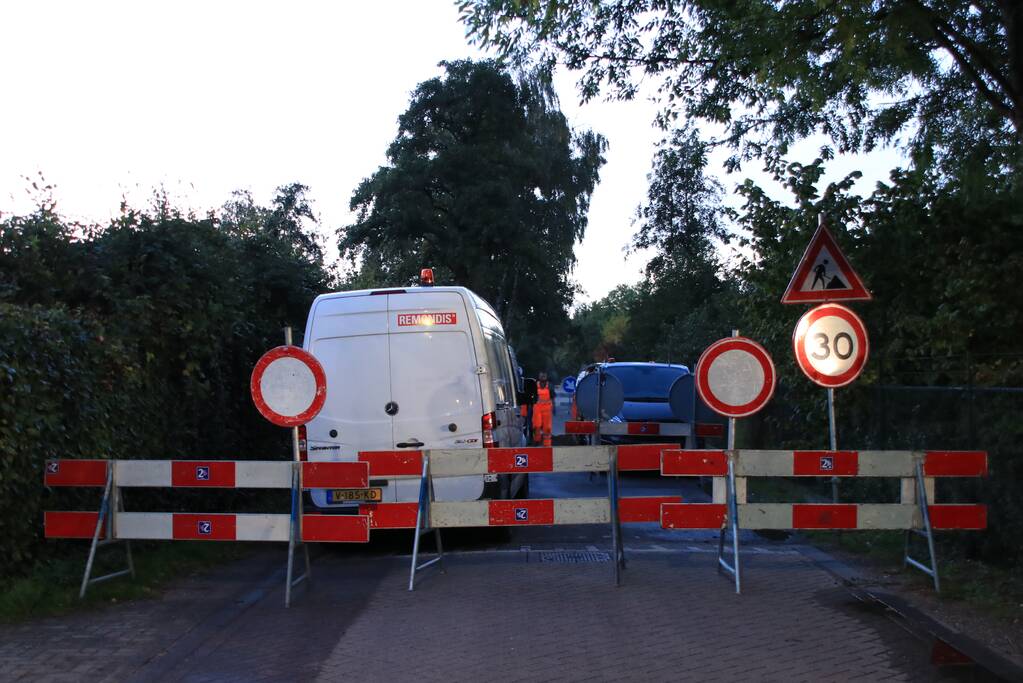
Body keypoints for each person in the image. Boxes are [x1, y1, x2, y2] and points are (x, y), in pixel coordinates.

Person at [532, 371, 556, 447]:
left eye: (544, 376)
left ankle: (547, 444)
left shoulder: (550, 386)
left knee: (547, 428)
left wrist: (554, 408)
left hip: (547, 410)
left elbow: (553, 398)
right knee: (537, 425)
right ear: (539, 377)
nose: (543, 377)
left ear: (546, 377)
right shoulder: (535, 386)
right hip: (537, 409)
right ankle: (536, 440)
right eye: (541, 376)